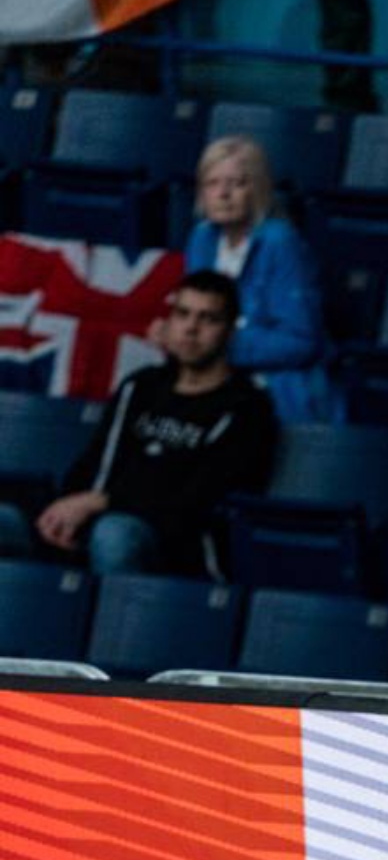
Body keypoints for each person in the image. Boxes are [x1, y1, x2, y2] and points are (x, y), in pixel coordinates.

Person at [0, 271, 276, 580]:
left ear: (229, 331)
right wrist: (62, 511)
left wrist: (102, 502)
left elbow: (197, 499)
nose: (191, 328)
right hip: (98, 517)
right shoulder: (141, 386)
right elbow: (95, 462)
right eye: (182, 314)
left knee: (113, 535)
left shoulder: (246, 406)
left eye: (208, 318)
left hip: (175, 544)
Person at [184, 135, 335, 423]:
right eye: (212, 183)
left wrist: (220, 346)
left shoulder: (281, 243)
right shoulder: (201, 237)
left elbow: (301, 342)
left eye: (237, 184)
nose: (223, 194)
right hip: (216, 375)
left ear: (259, 190)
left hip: (277, 384)